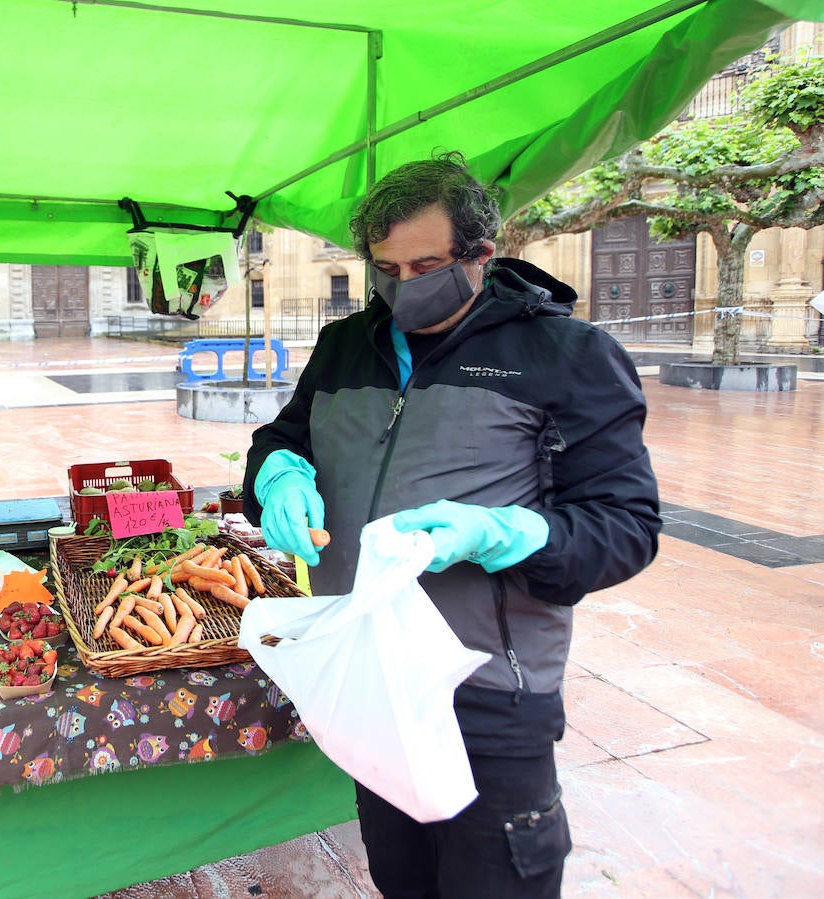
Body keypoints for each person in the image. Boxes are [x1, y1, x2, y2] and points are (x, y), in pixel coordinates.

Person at [242, 150, 660, 898]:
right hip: (372, 679)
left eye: (424, 265)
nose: (402, 287)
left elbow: (625, 525)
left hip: (488, 693)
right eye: (384, 268)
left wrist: (502, 532)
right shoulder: (347, 345)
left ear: (480, 255)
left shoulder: (567, 354)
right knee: (401, 878)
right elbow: (284, 436)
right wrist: (277, 473)